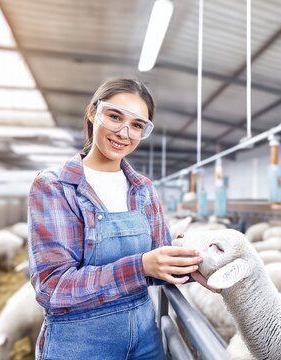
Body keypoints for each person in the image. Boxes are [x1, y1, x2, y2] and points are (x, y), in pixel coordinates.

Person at [27, 78, 217, 360]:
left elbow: (162, 263)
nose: (124, 132)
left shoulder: (143, 189)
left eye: (137, 125)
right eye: (115, 116)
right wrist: (141, 267)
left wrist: (207, 266)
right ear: (94, 113)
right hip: (79, 344)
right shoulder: (55, 186)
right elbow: (53, 287)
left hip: (145, 339)